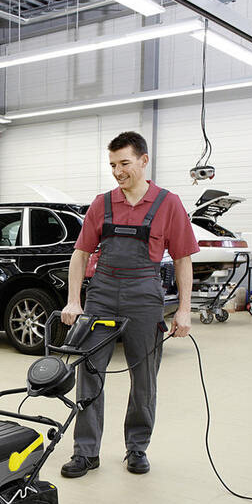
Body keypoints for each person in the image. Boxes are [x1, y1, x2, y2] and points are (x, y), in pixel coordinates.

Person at [60, 131, 198, 477]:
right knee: (89, 373)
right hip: (102, 294)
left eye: (124, 163)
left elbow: (183, 259)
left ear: (143, 160)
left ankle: (137, 448)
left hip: (144, 296)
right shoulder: (102, 203)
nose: (117, 172)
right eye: (112, 165)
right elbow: (80, 254)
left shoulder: (168, 203)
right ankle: (85, 452)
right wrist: (74, 301)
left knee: (144, 377)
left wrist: (184, 310)